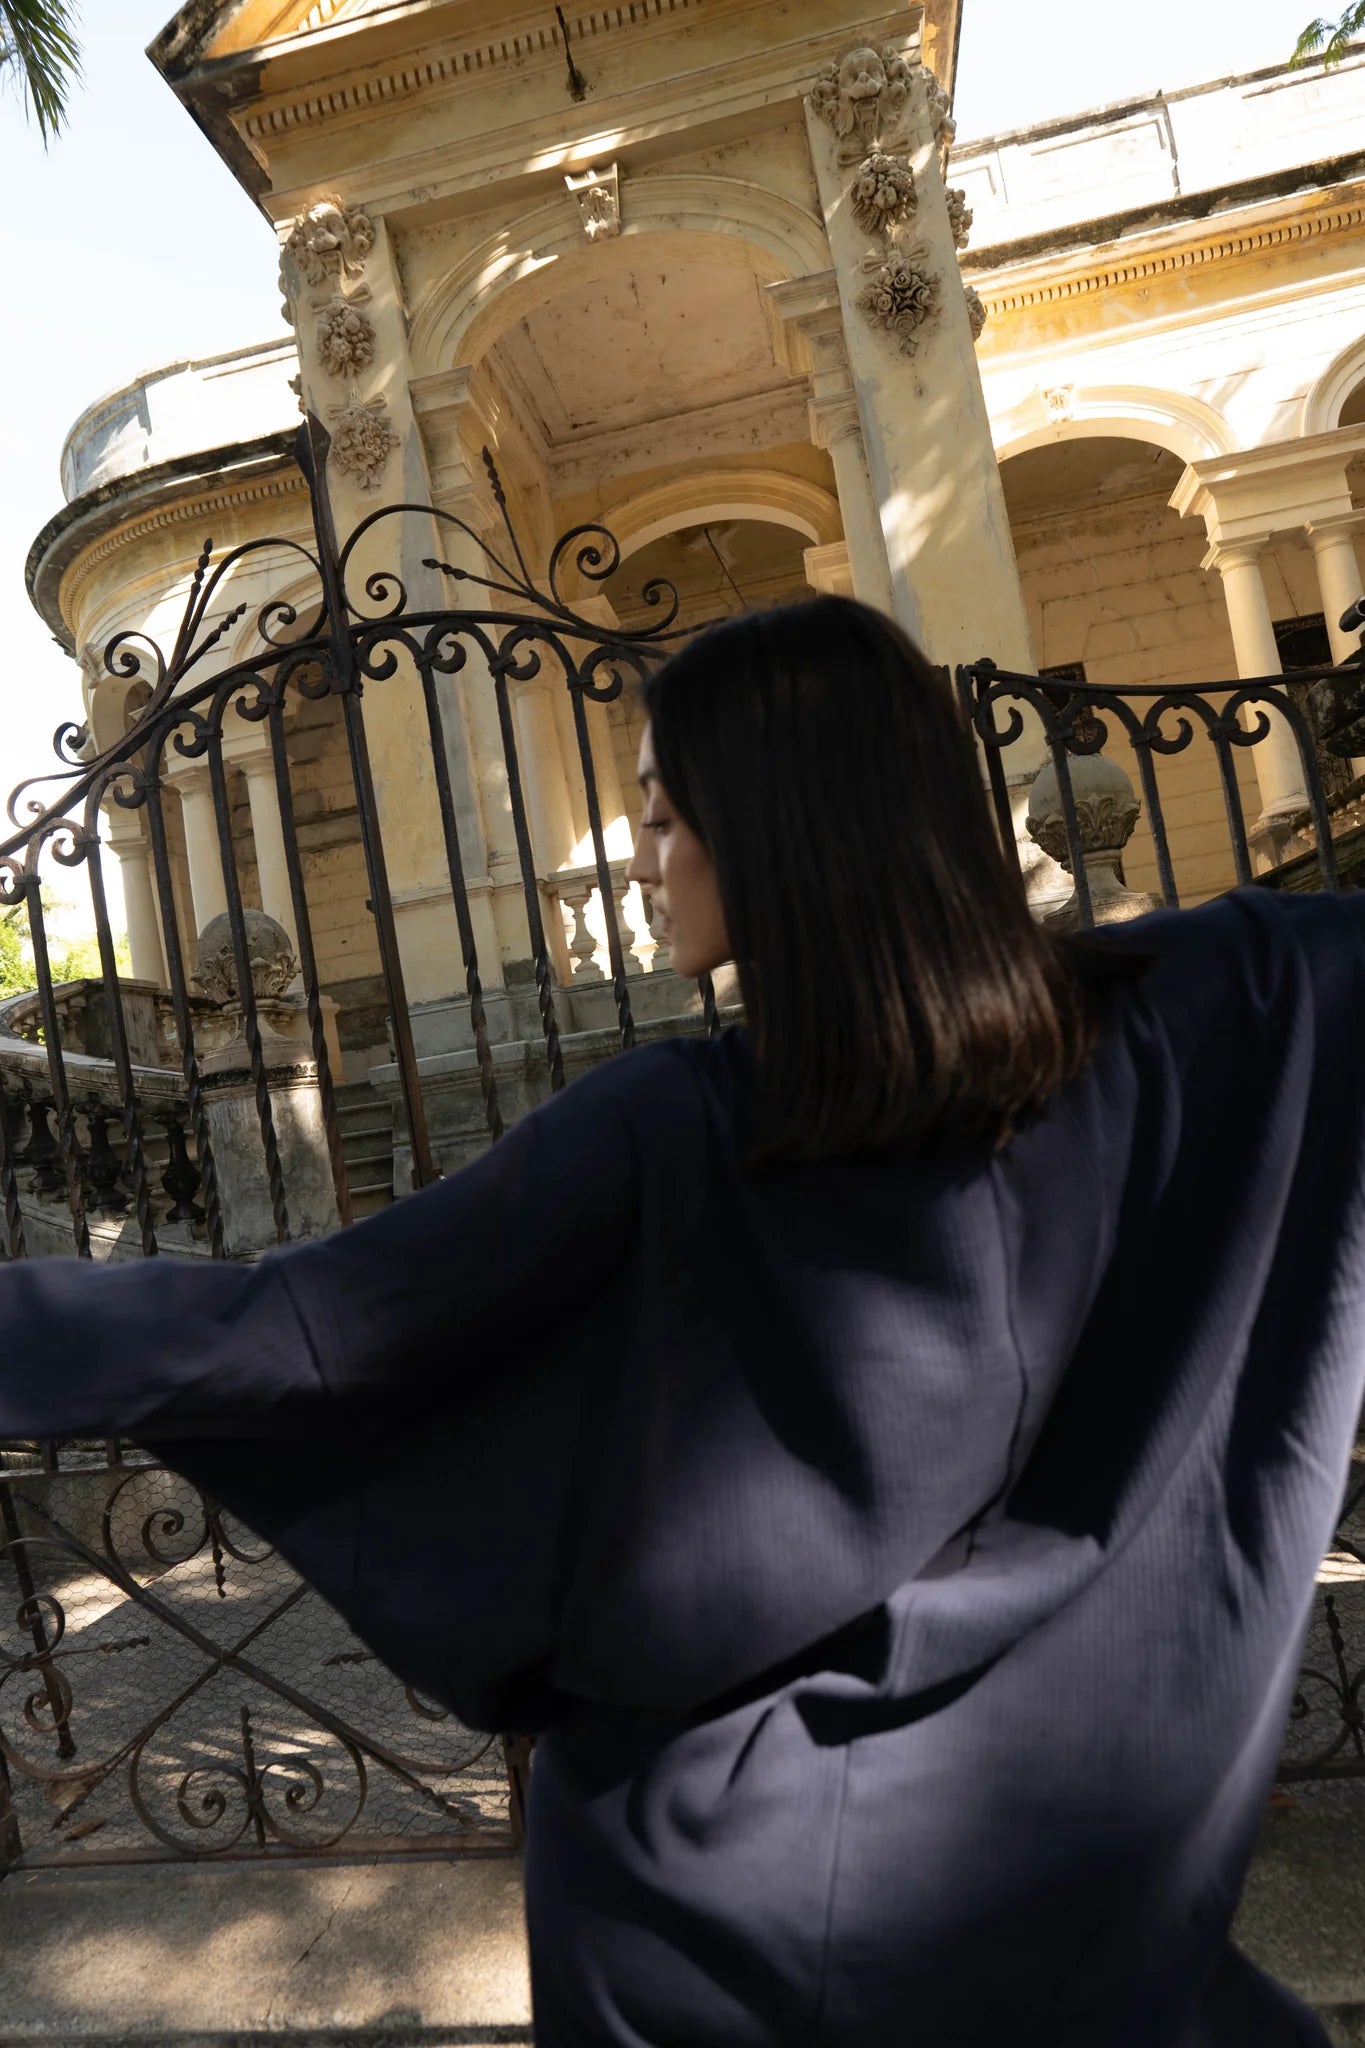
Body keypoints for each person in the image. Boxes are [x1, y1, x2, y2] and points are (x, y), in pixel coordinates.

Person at [0, 594, 1360, 2048]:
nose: (640, 858)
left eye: (660, 813)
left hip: (727, 1906)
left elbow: (302, 1332)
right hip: (1069, 1885)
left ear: (772, 823)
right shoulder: (1223, 1011)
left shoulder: (670, 1129)